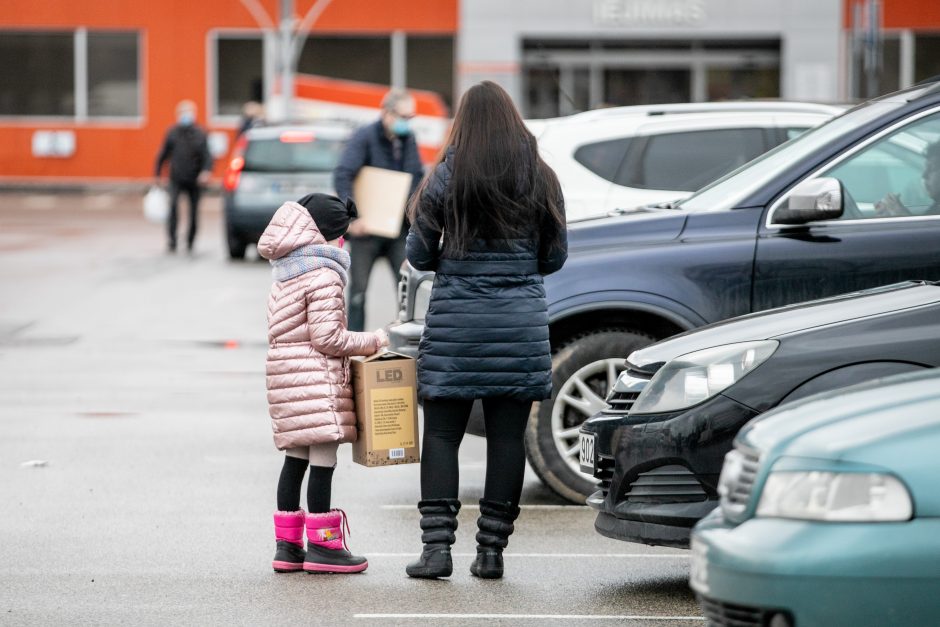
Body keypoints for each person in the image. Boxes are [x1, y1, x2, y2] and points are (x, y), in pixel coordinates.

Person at [403, 81, 568, 580]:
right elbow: (555, 257)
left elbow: (419, 254)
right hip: (518, 325)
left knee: (442, 436)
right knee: (506, 439)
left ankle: (436, 552)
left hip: (457, 324)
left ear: (464, 123)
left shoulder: (445, 177)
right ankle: (492, 552)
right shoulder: (541, 177)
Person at [257, 193, 389, 574]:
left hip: (287, 377)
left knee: (295, 458)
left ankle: (287, 547)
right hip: (317, 378)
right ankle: (324, 547)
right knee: (323, 459)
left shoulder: (285, 267)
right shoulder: (324, 273)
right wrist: (375, 341)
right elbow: (328, 338)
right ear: (333, 236)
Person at [333, 89, 426, 331]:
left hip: (398, 230)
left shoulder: (408, 140)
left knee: (407, 290)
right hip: (367, 231)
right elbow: (343, 174)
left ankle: (404, 344)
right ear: (386, 112)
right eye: (403, 116)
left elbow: (416, 176)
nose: (407, 123)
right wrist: (354, 217)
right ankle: (353, 345)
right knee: (358, 292)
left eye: (410, 118)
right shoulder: (364, 137)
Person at [154, 100, 213, 253]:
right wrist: (157, 174)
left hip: (195, 179)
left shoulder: (200, 133)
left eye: (189, 112)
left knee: (194, 211)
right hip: (176, 177)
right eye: (183, 112)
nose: (186, 116)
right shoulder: (172, 132)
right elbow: (163, 154)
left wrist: (206, 171)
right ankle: (172, 240)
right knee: (173, 207)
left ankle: (190, 241)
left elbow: (207, 156)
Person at [875, 140, 940, 217]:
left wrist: (900, 213)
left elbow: (928, 228)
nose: (924, 175)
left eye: (932, 168)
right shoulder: (936, 206)